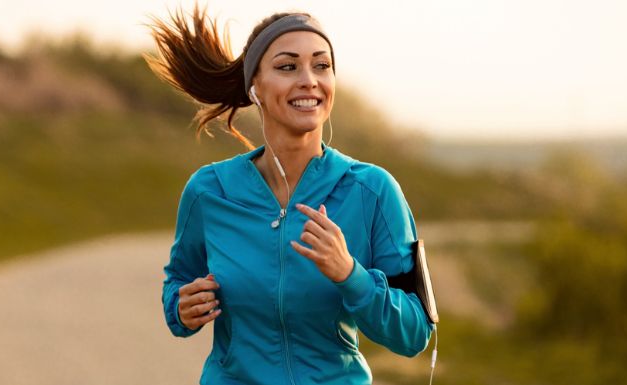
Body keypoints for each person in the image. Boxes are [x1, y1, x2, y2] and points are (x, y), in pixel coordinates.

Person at [146, 6, 434, 385]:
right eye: (287, 67)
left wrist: (351, 274)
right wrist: (180, 309)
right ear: (255, 87)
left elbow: (414, 333)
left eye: (321, 65)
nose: (309, 81)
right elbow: (179, 281)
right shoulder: (209, 191)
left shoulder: (373, 191)